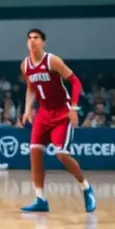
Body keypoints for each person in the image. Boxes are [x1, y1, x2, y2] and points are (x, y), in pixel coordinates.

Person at [19, 29, 96, 213]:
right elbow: (31, 89)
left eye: (36, 38)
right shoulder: (25, 65)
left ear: (43, 42)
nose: (32, 41)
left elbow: (76, 82)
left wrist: (74, 108)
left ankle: (86, 188)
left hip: (62, 111)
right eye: (29, 38)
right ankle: (40, 199)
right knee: (35, 153)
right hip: (44, 113)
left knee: (61, 155)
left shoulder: (52, 61)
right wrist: (27, 110)